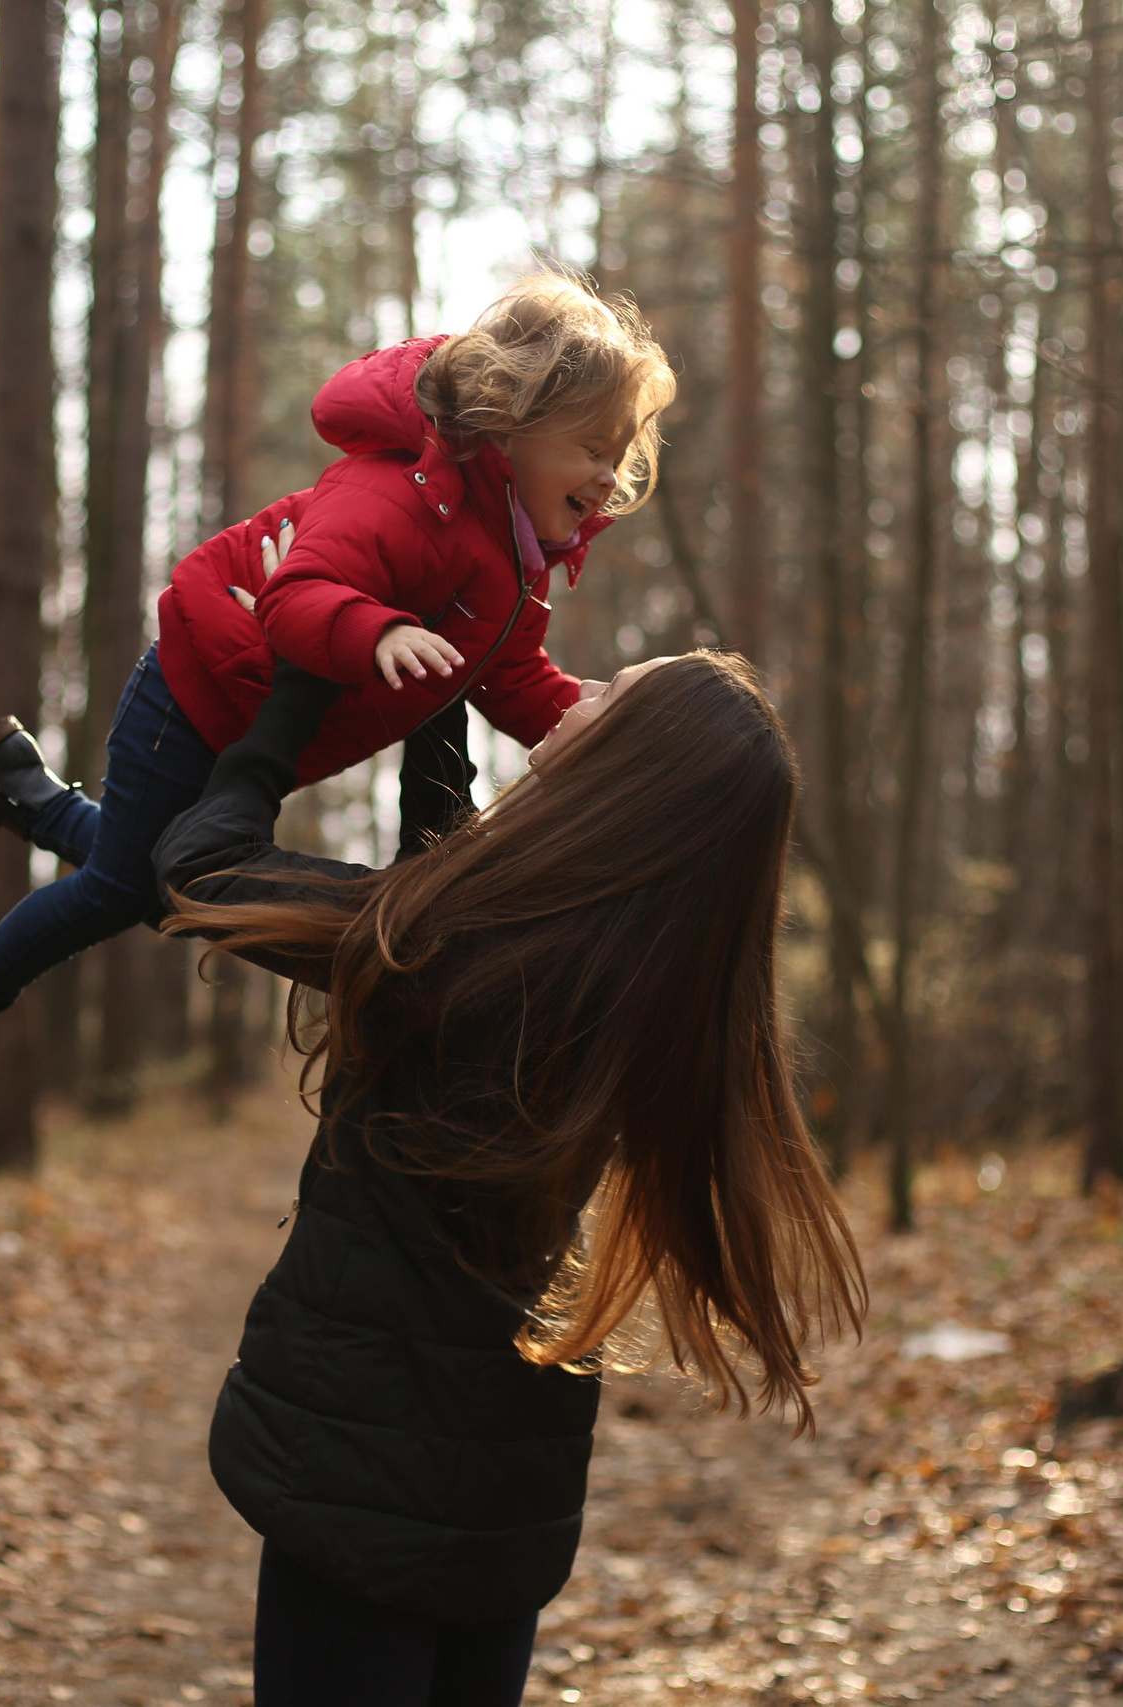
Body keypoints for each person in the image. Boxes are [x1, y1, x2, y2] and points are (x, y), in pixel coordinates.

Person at [153, 650, 871, 1707]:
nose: (578, 693)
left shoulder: (452, 944)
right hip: (508, 1496)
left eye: (609, 695)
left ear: (629, 769)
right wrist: (437, 705)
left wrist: (303, 687)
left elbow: (199, 865)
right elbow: (446, 892)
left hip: (358, 1480)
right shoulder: (637, 987)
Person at [0, 271, 677, 1126]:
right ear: (512, 422)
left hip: (246, 717)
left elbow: (512, 676)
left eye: (618, 454)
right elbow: (296, 593)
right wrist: (376, 629)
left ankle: (21, 790)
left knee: (161, 874)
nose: (608, 475)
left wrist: (593, 732)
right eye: (591, 447)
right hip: (194, 691)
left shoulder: (514, 563)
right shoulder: (400, 495)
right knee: (131, 886)